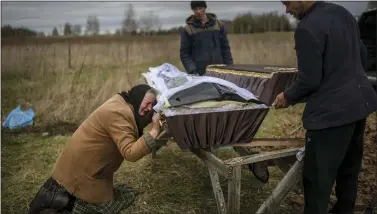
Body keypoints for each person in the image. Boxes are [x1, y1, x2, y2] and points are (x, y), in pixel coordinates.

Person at [274, 1, 377, 214]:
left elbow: (309, 80)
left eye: (287, 3)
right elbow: (363, 55)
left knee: (317, 181)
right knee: (348, 171)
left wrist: (287, 96)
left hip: (331, 114)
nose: (287, 10)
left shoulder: (307, 27)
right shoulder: (343, 13)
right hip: (358, 106)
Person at [28, 84, 164, 214]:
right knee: (119, 200)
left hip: (78, 167)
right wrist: (154, 130)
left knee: (122, 193)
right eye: (147, 103)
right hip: (84, 174)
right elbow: (130, 153)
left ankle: (61, 196)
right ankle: (68, 204)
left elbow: (134, 127)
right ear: (138, 97)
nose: (149, 108)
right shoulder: (121, 114)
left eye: (152, 105)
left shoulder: (121, 102)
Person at [179, 0, 233, 76]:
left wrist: (230, 67)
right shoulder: (188, 29)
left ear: (205, 7)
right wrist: (192, 71)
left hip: (220, 71)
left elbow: (225, 48)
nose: (198, 11)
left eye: (200, 8)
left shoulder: (218, 25)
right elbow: (184, 54)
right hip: (199, 73)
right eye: (195, 9)